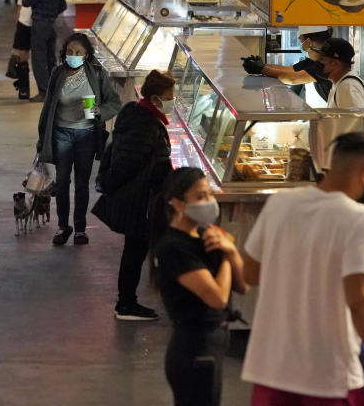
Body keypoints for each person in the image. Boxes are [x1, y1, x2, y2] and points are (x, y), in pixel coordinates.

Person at [240, 132, 364, 406]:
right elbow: (361, 304)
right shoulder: (361, 220)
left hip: (271, 371)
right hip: (328, 378)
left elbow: (249, 273)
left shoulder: (281, 204)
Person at [150, 168, 247, 406]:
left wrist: (232, 251)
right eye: (200, 196)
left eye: (210, 194)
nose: (209, 202)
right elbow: (217, 298)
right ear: (177, 203)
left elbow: (242, 286)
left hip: (212, 343)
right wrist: (225, 254)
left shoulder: (205, 234)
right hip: (195, 348)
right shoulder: (174, 247)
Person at [93, 69, 176, 321]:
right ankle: (126, 304)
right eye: (170, 96)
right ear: (154, 99)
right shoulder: (144, 126)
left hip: (138, 197)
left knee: (137, 250)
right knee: (135, 251)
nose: (173, 100)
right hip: (138, 201)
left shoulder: (141, 117)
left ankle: (129, 301)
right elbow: (126, 164)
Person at [36, 32, 120, 246]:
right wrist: (42, 138)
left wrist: (100, 111)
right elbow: (48, 108)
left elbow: (114, 102)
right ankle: (63, 227)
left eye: (78, 53)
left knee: (82, 183)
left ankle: (80, 229)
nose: (72, 55)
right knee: (62, 182)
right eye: (69, 52)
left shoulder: (97, 75)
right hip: (61, 133)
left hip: (87, 135)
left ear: (86, 55)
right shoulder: (57, 73)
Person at [242, 26, 333, 103]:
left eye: (301, 40)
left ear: (308, 42)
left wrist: (262, 69)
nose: (300, 44)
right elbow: (289, 69)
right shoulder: (312, 60)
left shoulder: (325, 64)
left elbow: (293, 78)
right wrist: (263, 65)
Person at [22, 0, 68, 103]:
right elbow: (63, 6)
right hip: (52, 25)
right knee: (51, 59)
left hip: (40, 26)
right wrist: (52, 14)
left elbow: (25, 1)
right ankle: (54, 90)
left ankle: (43, 92)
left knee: (39, 60)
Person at [316, 38, 364, 108]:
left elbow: (354, 119)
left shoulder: (347, 86)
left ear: (335, 63)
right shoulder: (340, 83)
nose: (317, 62)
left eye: (322, 59)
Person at [11, 0, 37, 100]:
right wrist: (17, 24)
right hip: (24, 23)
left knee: (39, 58)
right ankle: (23, 88)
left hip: (37, 24)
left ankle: (43, 89)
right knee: (22, 56)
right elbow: (20, 6)